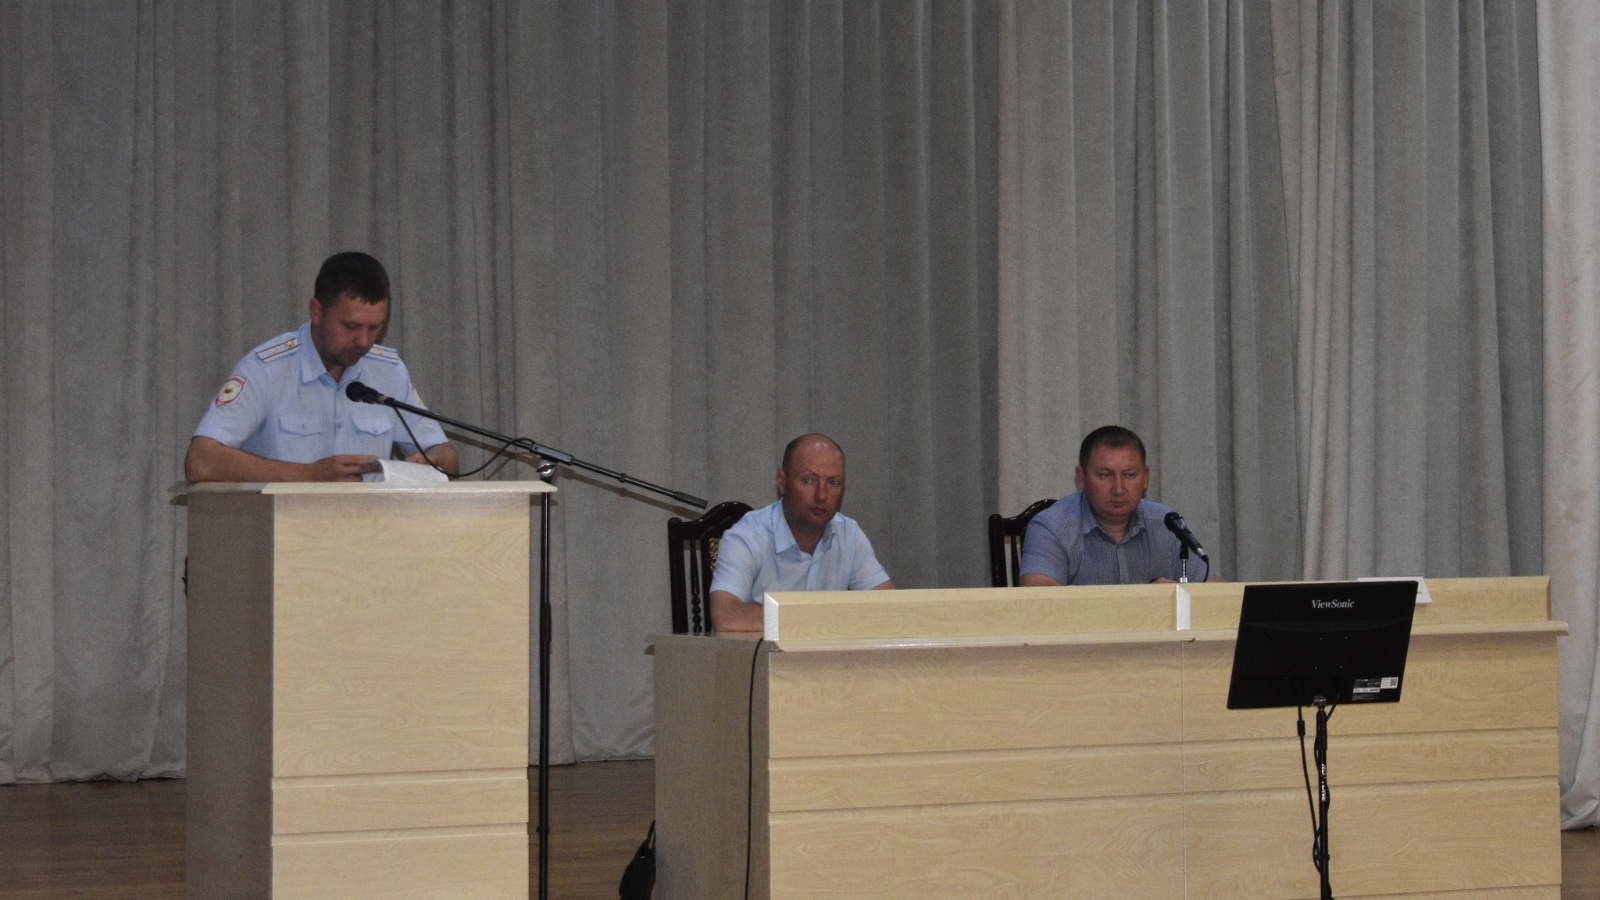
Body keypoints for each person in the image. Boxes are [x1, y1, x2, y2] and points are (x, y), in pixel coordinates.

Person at [184, 251, 459, 483]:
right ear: (316, 311)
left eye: (374, 328)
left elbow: (446, 456)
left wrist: (431, 461)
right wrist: (308, 475)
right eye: (350, 326)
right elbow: (201, 461)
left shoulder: (389, 371)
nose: (363, 341)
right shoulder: (266, 369)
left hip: (370, 526)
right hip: (282, 526)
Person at [708, 433, 894, 634]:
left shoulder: (849, 534)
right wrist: (821, 618)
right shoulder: (747, 537)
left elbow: (893, 608)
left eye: (833, 483)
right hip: (761, 654)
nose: (821, 495)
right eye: (808, 480)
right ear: (782, 481)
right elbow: (726, 616)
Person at [1019, 425, 1219, 586]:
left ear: (1145, 478)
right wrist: (1146, 603)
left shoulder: (1167, 524)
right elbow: (1039, 599)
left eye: (1130, 475)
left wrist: (1178, 596)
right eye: (1105, 475)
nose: (1119, 489)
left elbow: (1214, 590)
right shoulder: (1053, 526)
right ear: (1081, 477)